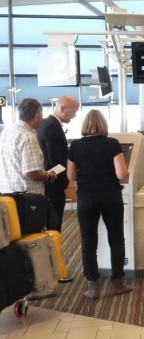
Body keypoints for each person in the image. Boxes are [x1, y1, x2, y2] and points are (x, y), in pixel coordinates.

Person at [67, 109, 132, 299]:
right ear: (103, 125)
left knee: (88, 242)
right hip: (111, 195)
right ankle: (118, 283)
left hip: (86, 196)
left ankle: (92, 287)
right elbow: (122, 174)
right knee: (116, 239)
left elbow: (71, 176)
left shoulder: (76, 146)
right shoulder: (112, 144)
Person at [37, 95, 80, 231]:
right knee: (54, 226)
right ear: (62, 108)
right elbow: (55, 161)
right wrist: (73, 168)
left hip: (48, 185)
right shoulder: (52, 127)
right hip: (53, 185)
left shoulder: (45, 124)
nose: (74, 116)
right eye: (74, 112)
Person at [0, 98, 57, 197]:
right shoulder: (28, 137)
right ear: (37, 116)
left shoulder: (6, 133)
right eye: (42, 115)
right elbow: (30, 173)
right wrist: (48, 176)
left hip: (7, 193)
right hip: (27, 199)